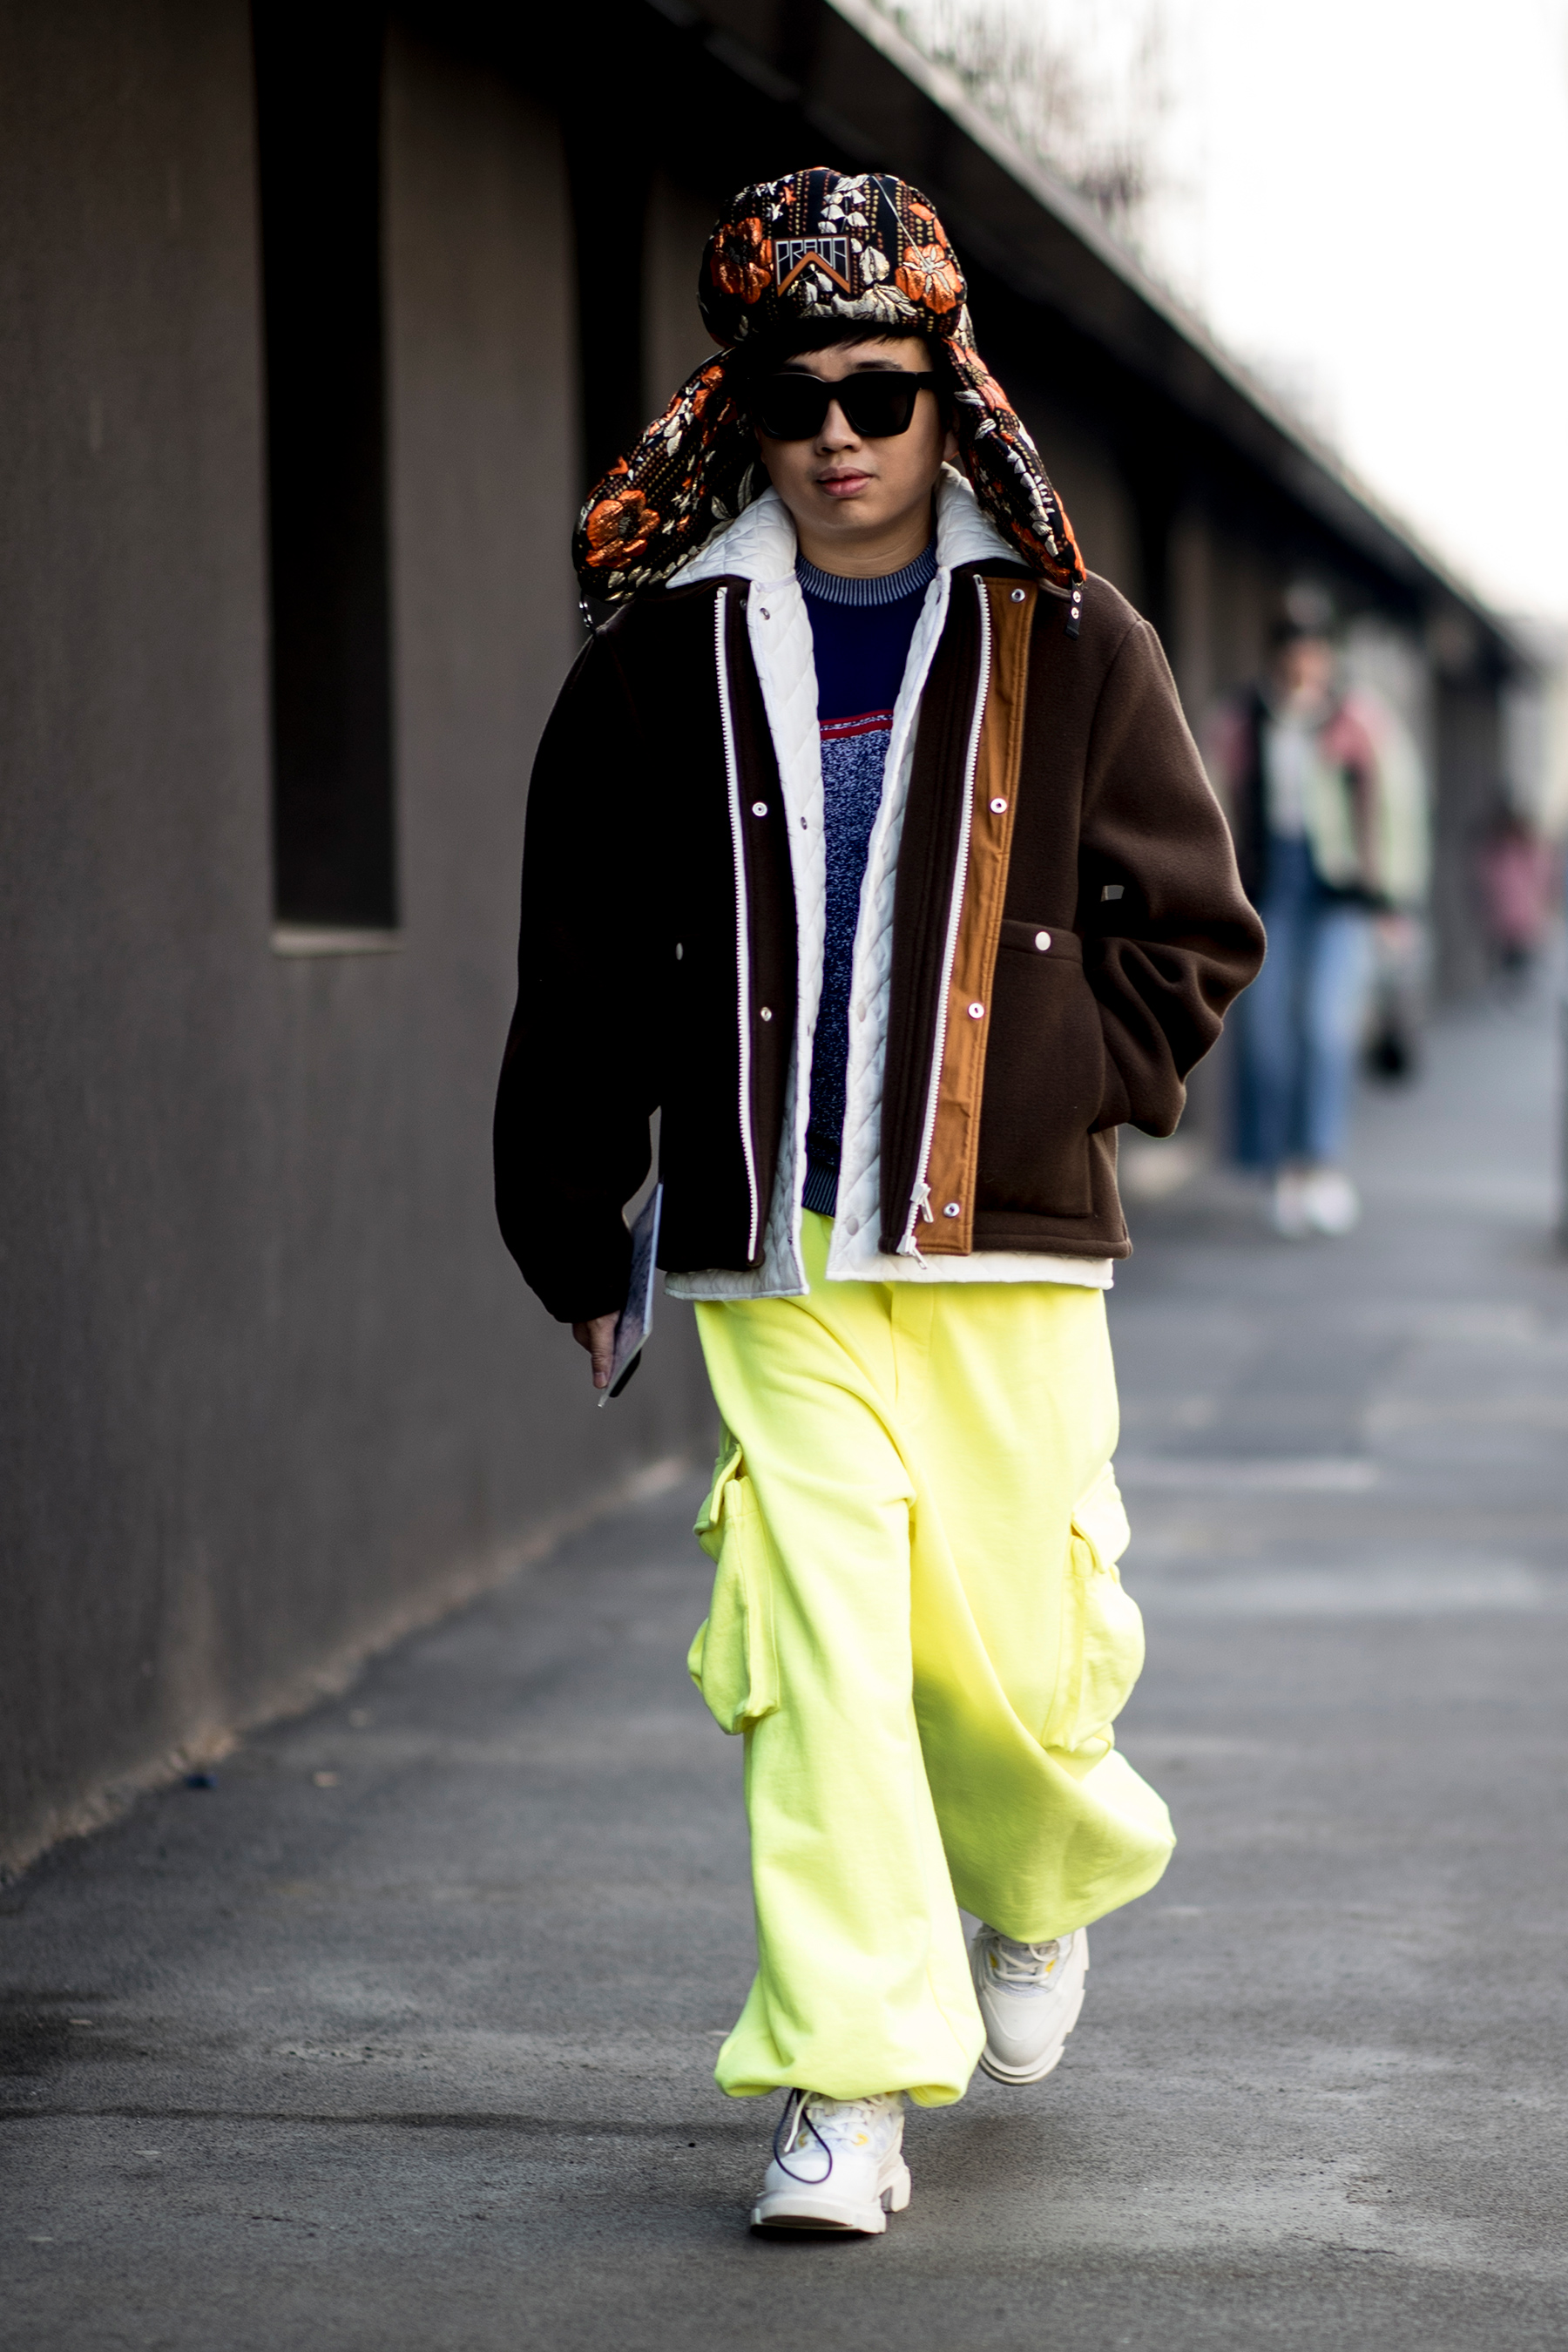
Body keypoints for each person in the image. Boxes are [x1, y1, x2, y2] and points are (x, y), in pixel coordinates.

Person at [495, 168, 1263, 2237]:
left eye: (879, 391)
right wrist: (574, 1227)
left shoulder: (1073, 639)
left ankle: (1037, 1869)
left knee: (998, 1655)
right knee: (824, 1646)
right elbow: (580, 968)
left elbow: (1194, 928)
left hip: (1008, 1243)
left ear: (949, 392)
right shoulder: (657, 664)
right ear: (737, 410)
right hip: (775, 1246)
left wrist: (1074, 1085)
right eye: (793, 396)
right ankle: (843, 2082)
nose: (838, 434)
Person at [1210, 607, 1426, 1237]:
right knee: (1266, 1033)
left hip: (1341, 892)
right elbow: (1209, 803)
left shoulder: (1359, 719)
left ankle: (1320, 1163)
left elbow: (1399, 808)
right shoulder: (1242, 719)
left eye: (1315, 648)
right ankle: (1280, 1168)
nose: (1305, 661)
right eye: (1295, 647)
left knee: (1326, 1029)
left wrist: (1394, 900)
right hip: (1266, 889)